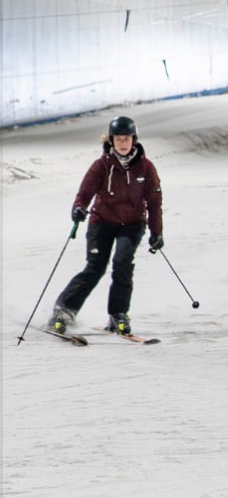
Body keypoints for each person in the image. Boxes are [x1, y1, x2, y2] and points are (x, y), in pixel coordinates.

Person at [49, 114, 164, 336]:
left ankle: (118, 314)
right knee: (95, 267)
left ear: (134, 139)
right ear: (111, 140)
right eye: (118, 139)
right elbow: (84, 192)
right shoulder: (102, 165)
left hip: (132, 223)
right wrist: (79, 208)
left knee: (122, 263)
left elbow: (155, 202)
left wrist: (156, 232)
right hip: (101, 221)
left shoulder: (146, 168)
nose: (123, 143)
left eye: (127, 139)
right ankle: (63, 310)